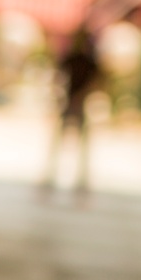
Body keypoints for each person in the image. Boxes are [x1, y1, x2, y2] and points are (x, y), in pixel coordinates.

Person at [42, 27, 102, 194]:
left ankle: (79, 180)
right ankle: (52, 177)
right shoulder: (77, 59)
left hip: (78, 104)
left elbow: (95, 82)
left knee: (79, 146)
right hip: (72, 103)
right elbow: (59, 75)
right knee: (61, 143)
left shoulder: (87, 61)